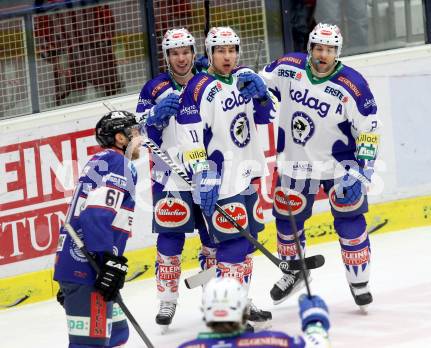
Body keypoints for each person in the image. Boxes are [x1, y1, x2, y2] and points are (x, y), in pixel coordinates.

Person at [259, 23, 379, 309]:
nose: (323, 55)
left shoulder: (354, 84)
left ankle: (359, 281)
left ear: (337, 52)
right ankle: (294, 272)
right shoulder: (288, 66)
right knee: (288, 224)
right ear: (310, 48)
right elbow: (257, 81)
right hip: (296, 163)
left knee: (350, 223)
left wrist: (362, 173)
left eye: (330, 50)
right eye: (319, 48)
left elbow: (369, 130)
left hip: (341, 167)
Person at [175, 26, 278, 327]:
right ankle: (227, 312)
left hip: (246, 174)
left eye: (232, 49)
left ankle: (240, 303)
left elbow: (265, 118)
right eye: (220, 50)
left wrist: (262, 98)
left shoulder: (245, 78)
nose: (227, 56)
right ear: (209, 53)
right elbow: (188, 138)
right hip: (219, 183)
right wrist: (202, 173)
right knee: (232, 246)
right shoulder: (199, 88)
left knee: (247, 244)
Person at [135, 28, 217, 332]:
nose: (181, 58)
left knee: (214, 241)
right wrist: (153, 117)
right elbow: (137, 133)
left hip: (205, 175)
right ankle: (167, 299)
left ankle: (215, 295)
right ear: (166, 56)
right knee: (170, 242)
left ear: (194, 53)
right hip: (169, 178)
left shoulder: (205, 82)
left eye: (185, 52)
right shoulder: (153, 88)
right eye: (174, 53)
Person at [53, 110, 141, 347]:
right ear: (121, 138)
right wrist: (107, 261)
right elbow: (96, 214)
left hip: (83, 263)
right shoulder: (118, 162)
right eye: (135, 132)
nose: (140, 138)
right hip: (88, 267)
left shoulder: (101, 161)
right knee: (90, 344)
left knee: (118, 332)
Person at [178, 277, 330, 347]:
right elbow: (318, 343)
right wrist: (314, 318)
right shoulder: (273, 341)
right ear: (244, 310)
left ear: (205, 312)